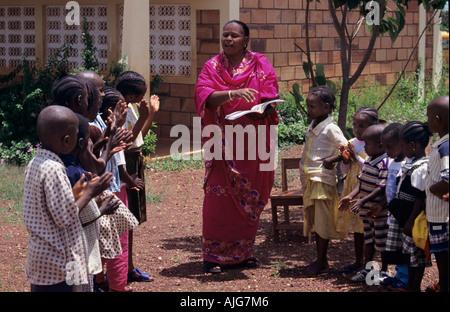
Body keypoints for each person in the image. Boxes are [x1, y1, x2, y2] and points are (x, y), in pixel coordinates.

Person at [194, 20, 279, 273]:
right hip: (221, 142)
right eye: (225, 35)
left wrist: (262, 111)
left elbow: (270, 96)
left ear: (245, 40)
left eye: (234, 35)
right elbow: (204, 96)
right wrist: (233, 93)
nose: (228, 39)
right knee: (218, 199)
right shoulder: (212, 66)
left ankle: (243, 253)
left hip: (252, 141)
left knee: (251, 196)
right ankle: (213, 257)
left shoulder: (260, 64)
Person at [22, 105, 99, 292]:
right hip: (60, 260)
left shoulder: (35, 163)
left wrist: (75, 194)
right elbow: (65, 218)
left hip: (39, 257)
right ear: (67, 140)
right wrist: (89, 192)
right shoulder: (55, 169)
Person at [60, 113, 121, 292]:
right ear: (80, 144)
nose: (91, 145)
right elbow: (76, 219)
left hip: (72, 250)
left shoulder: (66, 166)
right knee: (78, 286)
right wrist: (101, 209)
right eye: (89, 141)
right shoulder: (75, 174)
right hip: (76, 249)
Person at [298, 86, 348, 275]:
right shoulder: (313, 126)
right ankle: (320, 259)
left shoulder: (331, 129)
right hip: (311, 179)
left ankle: (321, 261)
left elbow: (347, 149)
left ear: (326, 108)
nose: (309, 110)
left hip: (322, 181)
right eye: (308, 106)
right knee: (315, 222)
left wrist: (332, 160)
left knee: (322, 222)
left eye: (312, 107)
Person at [115, 70, 159, 282]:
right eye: (141, 94)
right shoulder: (119, 110)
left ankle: (128, 265)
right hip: (127, 164)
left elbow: (139, 136)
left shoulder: (130, 109)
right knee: (126, 218)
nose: (143, 97)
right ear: (131, 95)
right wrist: (144, 115)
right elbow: (127, 141)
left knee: (131, 218)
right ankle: (123, 267)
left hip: (134, 160)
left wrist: (150, 115)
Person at [339, 124, 389, 282]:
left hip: (378, 211)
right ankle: (368, 270)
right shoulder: (368, 160)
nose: (365, 147)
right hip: (366, 209)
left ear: (380, 145)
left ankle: (385, 272)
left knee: (381, 244)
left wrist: (362, 200)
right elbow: (360, 182)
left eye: (367, 144)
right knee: (369, 240)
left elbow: (382, 188)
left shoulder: (385, 163)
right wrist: (351, 196)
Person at [336, 107, 379, 275]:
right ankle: (358, 261)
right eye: (355, 125)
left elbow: (371, 166)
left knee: (368, 228)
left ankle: (370, 266)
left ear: (373, 125)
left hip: (368, 188)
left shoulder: (376, 144)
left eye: (362, 126)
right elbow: (345, 169)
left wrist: (356, 158)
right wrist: (346, 160)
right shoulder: (351, 142)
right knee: (357, 228)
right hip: (352, 188)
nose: (357, 129)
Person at [390, 121, 431, 292]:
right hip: (404, 216)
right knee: (408, 253)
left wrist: (411, 221)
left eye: (402, 145)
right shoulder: (411, 163)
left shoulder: (422, 167)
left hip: (413, 218)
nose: (401, 148)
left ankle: (414, 286)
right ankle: (410, 284)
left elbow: (420, 197)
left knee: (416, 257)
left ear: (412, 145)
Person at [380, 123, 409, 290]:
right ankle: (399, 274)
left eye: (389, 147)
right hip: (393, 213)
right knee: (396, 248)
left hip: (403, 214)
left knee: (405, 249)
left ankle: (405, 277)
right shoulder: (392, 163)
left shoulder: (406, 164)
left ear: (402, 143)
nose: (386, 151)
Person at [425, 95, 449, 292]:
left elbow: (448, 177)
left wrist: (433, 188)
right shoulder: (442, 144)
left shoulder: (445, 147)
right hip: (439, 211)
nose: (427, 120)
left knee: (442, 252)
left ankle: (444, 285)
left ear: (438, 119)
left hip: (441, 214)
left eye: (429, 116)